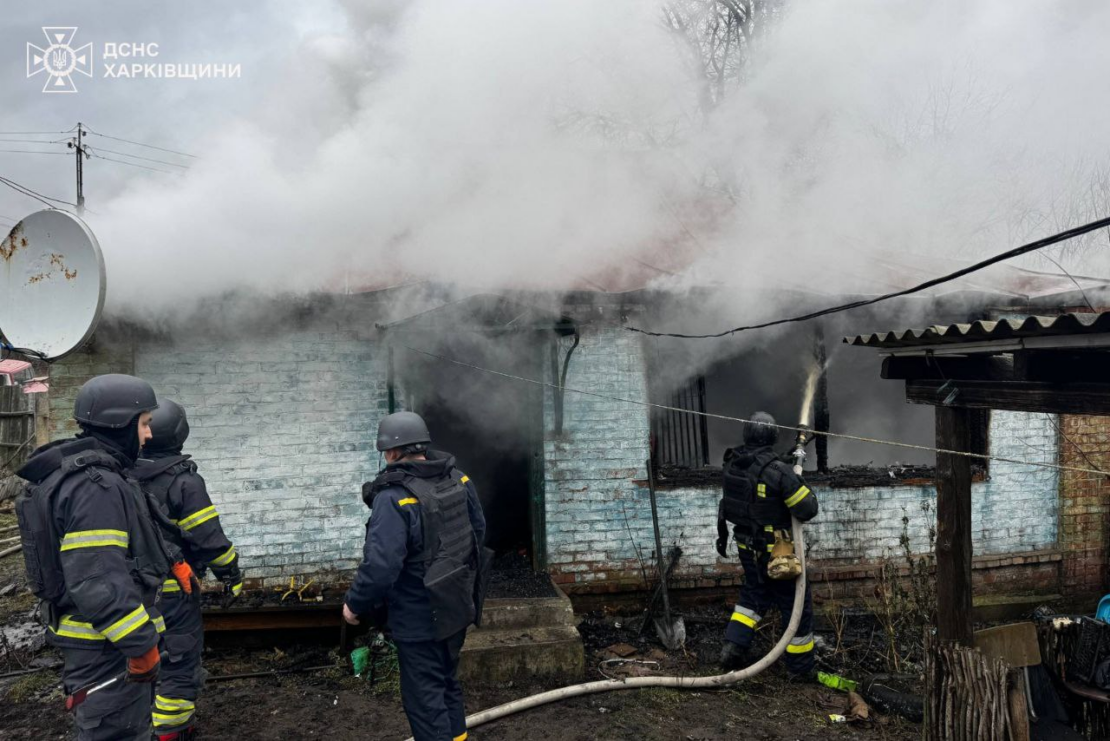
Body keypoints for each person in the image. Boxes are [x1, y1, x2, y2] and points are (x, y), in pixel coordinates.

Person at [15, 374, 186, 740]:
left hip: (99, 642)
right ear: (121, 424)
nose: (148, 435)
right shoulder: (97, 487)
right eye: (144, 423)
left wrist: (173, 560)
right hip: (107, 648)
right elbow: (97, 578)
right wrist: (140, 644)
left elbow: (133, 541)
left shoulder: (89, 476)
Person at [343, 411, 490, 741]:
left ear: (393, 452)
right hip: (456, 606)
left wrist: (354, 605)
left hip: (419, 617)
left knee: (425, 701)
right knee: (447, 684)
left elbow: (380, 567)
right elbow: (478, 533)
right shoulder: (459, 479)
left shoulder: (393, 497)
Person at [131, 398, 244, 741]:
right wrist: (231, 575)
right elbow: (208, 538)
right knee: (177, 663)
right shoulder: (184, 482)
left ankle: (140, 726)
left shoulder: (120, 475)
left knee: (139, 659)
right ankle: (172, 732)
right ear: (180, 434)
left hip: (128, 595)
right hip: (172, 593)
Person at [716, 411, 820, 680]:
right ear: (772, 436)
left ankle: (732, 649)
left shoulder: (734, 462)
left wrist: (786, 463)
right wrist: (796, 479)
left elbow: (760, 473)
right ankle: (800, 668)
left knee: (753, 595)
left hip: (746, 547)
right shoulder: (779, 473)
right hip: (777, 552)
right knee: (795, 604)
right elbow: (807, 508)